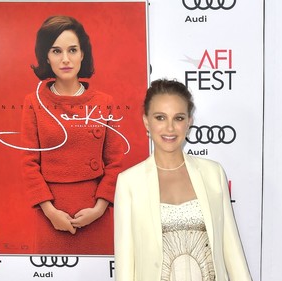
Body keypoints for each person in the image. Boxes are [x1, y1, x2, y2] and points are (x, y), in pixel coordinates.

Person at [114, 79, 252, 280]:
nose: (169, 128)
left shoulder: (213, 174)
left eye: (178, 118)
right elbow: (125, 265)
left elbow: (232, 251)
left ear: (189, 122)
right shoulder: (129, 183)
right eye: (160, 117)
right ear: (146, 121)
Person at [20, 15, 124, 255]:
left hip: (97, 215)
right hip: (51, 218)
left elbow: (115, 161)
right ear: (46, 56)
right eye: (56, 51)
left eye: (72, 50)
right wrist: (50, 212)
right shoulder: (33, 102)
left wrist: (99, 209)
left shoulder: (104, 103)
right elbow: (29, 162)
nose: (65, 59)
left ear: (82, 54)